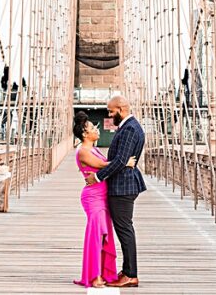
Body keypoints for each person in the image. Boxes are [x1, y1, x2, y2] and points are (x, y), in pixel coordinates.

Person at [84, 94, 146, 289]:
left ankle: (130, 274)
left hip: (123, 187)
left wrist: (98, 177)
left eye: (111, 111)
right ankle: (128, 270)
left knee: (125, 230)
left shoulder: (129, 128)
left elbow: (120, 160)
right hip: (123, 185)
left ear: (121, 109)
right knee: (124, 229)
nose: (109, 115)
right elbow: (122, 160)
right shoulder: (130, 126)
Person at [72, 111, 136, 288]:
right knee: (96, 236)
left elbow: (104, 167)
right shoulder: (83, 150)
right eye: (93, 127)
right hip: (93, 198)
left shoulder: (93, 148)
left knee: (104, 236)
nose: (97, 129)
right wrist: (125, 163)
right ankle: (94, 276)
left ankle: (103, 272)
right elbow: (101, 165)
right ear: (85, 133)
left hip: (103, 197)